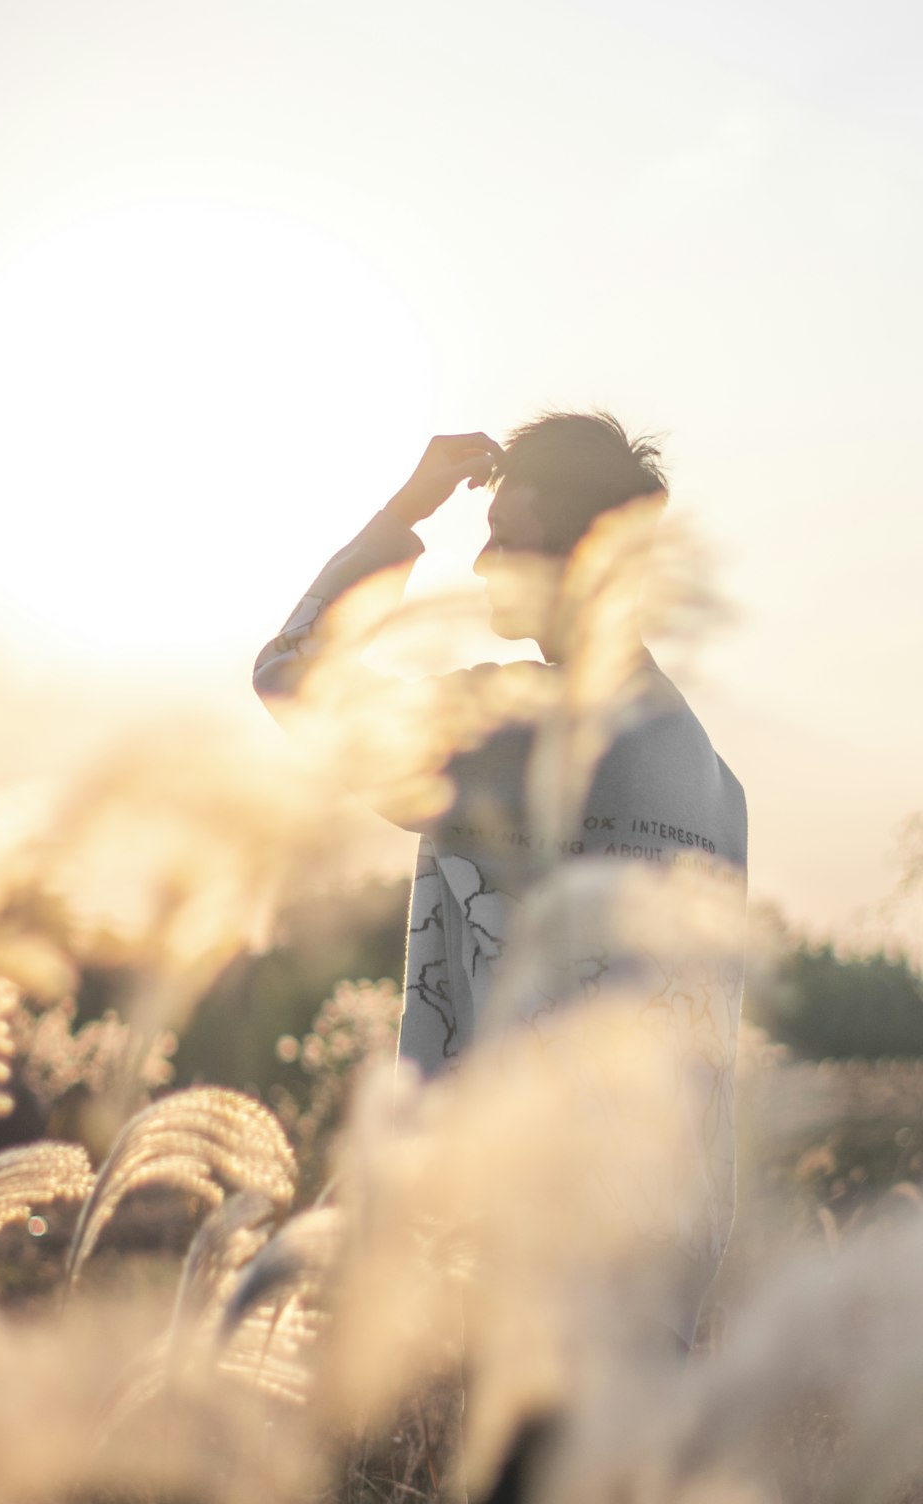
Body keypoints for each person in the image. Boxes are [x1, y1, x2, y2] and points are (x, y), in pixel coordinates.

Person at [253, 412, 747, 1392]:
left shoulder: (533, 731)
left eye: (506, 539)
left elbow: (292, 673)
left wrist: (407, 510)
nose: (478, 565)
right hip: (656, 1286)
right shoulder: (713, 780)